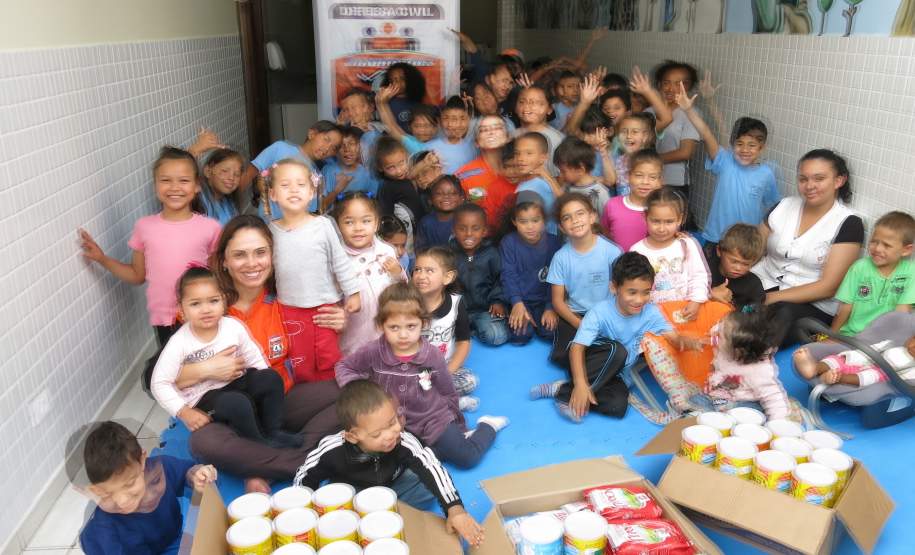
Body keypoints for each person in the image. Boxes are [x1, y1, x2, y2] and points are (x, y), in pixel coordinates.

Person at [181, 215, 343, 490]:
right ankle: (300, 461)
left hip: (281, 406)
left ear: (272, 255)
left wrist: (342, 321)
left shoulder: (287, 298)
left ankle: (263, 464)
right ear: (224, 261)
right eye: (240, 255)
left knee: (353, 390)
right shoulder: (205, 304)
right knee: (202, 442)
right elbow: (160, 375)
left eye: (260, 252)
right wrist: (206, 369)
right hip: (229, 416)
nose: (252, 263)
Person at [335, 282, 508, 468]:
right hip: (393, 425)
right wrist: (361, 391)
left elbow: (447, 391)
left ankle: (487, 426)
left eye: (411, 326)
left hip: (432, 418)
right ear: (381, 325)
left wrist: (459, 425)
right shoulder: (373, 351)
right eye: (394, 327)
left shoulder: (432, 355)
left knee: (466, 458)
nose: (403, 335)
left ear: (423, 323)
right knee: (396, 465)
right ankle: (434, 452)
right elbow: (344, 366)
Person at [292, 380, 485, 547]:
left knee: (428, 486)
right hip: (354, 494)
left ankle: (376, 516)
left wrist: (455, 510)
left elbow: (432, 466)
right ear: (353, 436)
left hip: (393, 485)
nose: (390, 435)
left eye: (392, 422)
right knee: (331, 498)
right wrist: (303, 514)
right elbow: (304, 476)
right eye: (377, 434)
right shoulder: (331, 448)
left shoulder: (402, 438)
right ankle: (367, 517)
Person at [78, 146, 221, 347]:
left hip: (204, 315)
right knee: (175, 374)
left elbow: (219, 277)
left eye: (184, 180)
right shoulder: (145, 227)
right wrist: (103, 259)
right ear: (155, 185)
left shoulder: (210, 228)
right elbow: (137, 275)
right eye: (165, 180)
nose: (174, 187)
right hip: (165, 320)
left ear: (197, 186)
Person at [532, 252, 700, 422]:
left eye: (646, 292)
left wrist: (686, 341)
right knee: (617, 350)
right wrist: (581, 383)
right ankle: (570, 393)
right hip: (590, 364)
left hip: (616, 374)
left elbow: (673, 337)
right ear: (614, 288)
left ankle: (562, 389)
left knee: (618, 406)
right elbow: (577, 348)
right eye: (632, 292)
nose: (639, 300)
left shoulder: (651, 313)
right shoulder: (600, 312)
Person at [151, 267, 301, 447]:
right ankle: (258, 443)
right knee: (236, 402)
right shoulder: (179, 342)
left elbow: (254, 357)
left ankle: (274, 430)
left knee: (270, 377)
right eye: (195, 304)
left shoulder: (233, 327)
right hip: (205, 397)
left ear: (223, 302)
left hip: (236, 382)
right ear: (181, 310)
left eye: (213, 301)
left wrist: (265, 388)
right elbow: (159, 383)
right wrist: (184, 412)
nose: (205, 309)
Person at [753, 149, 864, 347]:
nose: (809, 186)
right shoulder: (783, 205)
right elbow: (752, 250)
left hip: (809, 303)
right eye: (803, 179)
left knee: (779, 315)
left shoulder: (849, 222)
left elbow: (828, 287)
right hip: (763, 281)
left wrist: (770, 298)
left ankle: (750, 360)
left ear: (839, 180)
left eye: (819, 178)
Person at [268, 159, 361, 382]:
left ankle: (331, 393)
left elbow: (340, 261)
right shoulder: (270, 231)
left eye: (301, 185)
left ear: (311, 192)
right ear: (272, 194)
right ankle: (304, 398)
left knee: (328, 356)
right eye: (285, 185)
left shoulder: (323, 225)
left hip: (324, 304)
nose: (293, 190)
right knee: (298, 359)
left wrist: (353, 292)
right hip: (288, 307)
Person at [631, 188, 730, 384]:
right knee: (654, 338)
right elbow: (633, 291)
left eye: (669, 222)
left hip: (686, 311)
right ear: (645, 218)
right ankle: (676, 376)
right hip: (656, 317)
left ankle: (714, 366)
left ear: (681, 219)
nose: (662, 228)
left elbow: (699, 275)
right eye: (655, 221)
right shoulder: (637, 251)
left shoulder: (687, 244)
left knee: (725, 313)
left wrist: (696, 301)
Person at [674, 75, 779, 256]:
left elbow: (773, 207)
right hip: (717, 238)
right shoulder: (725, 162)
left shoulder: (767, 173)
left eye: (752, 145)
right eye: (740, 144)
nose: (745, 150)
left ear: (762, 148)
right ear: (732, 145)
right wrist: (690, 111)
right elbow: (706, 133)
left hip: (747, 242)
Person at [79, 421, 217, 555]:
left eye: (129, 484)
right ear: (96, 491)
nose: (122, 501)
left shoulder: (159, 470)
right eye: (107, 494)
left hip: (172, 541)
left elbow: (185, 474)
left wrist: (196, 475)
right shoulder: (105, 534)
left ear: (142, 461)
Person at [547, 193, 623, 368]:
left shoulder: (612, 252)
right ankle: (594, 358)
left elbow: (622, 290)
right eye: (567, 217)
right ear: (561, 227)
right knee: (561, 356)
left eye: (580, 213)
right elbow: (558, 301)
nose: (575, 220)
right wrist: (581, 324)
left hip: (606, 314)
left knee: (620, 350)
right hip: (576, 315)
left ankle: (590, 362)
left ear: (592, 217)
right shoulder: (560, 258)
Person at [334, 192, 407, 356]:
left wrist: (398, 272)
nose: (358, 227)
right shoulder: (336, 258)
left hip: (387, 328)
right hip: (354, 331)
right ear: (338, 226)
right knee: (356, 365)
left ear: (376, 224)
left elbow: (402, 289)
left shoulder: (387, 250)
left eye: (366, 221)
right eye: (349, 222)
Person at [690, 309, 792, 421]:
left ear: (737, 351)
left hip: (742, 402)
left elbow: (773, 398)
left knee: (749, 416)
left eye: (721, 334)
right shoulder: (727, 342)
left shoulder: (759, 371)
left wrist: (778, 423)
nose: (717, 331)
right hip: (714, 395)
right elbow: (718, 329)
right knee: (693, 403)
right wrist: (707, 339)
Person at [829, 211, 915, 335]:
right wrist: (831, 335)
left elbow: (901, 313)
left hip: (886, 340)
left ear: (906, 250)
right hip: (852, 335)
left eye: (887, 245)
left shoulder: (911, 272)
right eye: (874, 241)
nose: (878, 249)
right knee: (805, 353)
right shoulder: (859, 268)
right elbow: (845, 307)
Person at [414, 247, 478, 412]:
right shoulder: (407, 304)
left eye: (429, 270)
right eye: (417, 270)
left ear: (448, 277)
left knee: (470, 381)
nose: (421, 275)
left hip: (444, 366)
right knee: (403, 386)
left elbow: (464, 342)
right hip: (414, 370)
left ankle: (432, 401)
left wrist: (448, 372)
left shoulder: (456, 303)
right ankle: (449, 402)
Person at [243, 120, 343, 219]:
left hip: (297, 231)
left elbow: (318, 209)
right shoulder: (280, 148)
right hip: (267, 227)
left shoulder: (316, 176)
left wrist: (337, 190)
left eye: (333, 148)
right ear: (312, 134)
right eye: (326, 139)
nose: (327, 149)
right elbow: (247, 175)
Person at [499, 191, 563, 345]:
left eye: (535, 220)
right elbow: (508, 275)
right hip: (521, 300)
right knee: (520, 336)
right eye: (523, 221)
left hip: (544, 300)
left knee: (551, 333)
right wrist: (517, 303)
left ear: (544, 220)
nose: (530, 227)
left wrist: (550, 307)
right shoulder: (508, 243)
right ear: (514, 222)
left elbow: (557, 279)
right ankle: (516, 314)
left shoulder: (554, 243)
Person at [450, 203, 510, 346]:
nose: (469, 234)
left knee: (497, 336)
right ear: (454, 231)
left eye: (475, 228)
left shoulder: (492, 253)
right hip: (457, 312)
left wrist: (498, 301)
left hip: (484, 310)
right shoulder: (448, 254)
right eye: (462, 229)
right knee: (437, 336)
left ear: (484, 231)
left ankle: (474, 329)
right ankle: (467, 329)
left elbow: (500, 279)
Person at [650, 60, 701, 221]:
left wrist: (649, 161)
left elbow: (685, 152)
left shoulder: (691, 113)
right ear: (659, 85)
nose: (671, 88)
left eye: (680, 84)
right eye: (667, 83)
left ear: (689, 87)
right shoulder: (649, 111)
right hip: (646, 180)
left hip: (674, 182)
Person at [455, 115, 516, 233]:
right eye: (484, 130)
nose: (491, 133)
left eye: (497, 128)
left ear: (508, 136)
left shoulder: (520, 169)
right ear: (476, 141)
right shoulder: (463, 175)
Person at [600, 149, 664, 251]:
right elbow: (605, 233)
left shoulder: (664, 210)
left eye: (652, 177)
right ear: (628, 176)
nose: (645, 182)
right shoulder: (612, 205)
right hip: (619, 265)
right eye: (639, 175)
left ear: (661, 181)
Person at [795, 334, 915, 388]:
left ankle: (835, 378)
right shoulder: (891, 344)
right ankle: (814, 368)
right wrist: (864, 354)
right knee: (840, 359)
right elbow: (871, 350)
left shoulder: (912, 368)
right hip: (865, 359)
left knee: (871, 376)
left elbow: (903, 383)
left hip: (879, 373)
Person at [513, 132, 565, 234]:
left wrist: (548, 178)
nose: (521, 158)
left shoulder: (541, 184)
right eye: (517, 153)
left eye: (529, 153)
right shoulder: (527, 181)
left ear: (543, 157)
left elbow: (565, 203)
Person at [708, 224, 767, 312]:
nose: (738, 268)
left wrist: (735, 308)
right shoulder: (704, 268)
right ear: (719, 251)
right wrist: (709, 294)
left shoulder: (753, 285)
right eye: (734, 261)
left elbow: (755, 308)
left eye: (746, 264)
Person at [320, 125, 378, 212]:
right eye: (341, 145)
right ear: (335, 149)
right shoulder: (328, 170)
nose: (346, 149)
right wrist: (338, 190)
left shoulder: (369, 174)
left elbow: (373, 204)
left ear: (361, 148)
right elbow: (321, 207)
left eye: (352, 144)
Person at [514, 85, 564, 175]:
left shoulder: (556, 139)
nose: (527, 106)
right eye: (522, 102)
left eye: (536, 103)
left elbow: (561, 178)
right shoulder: (512, 135)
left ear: (549, 109)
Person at [554, 136, 610, 215]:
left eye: (563, 171)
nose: (561, 175)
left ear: (580, 169)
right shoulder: (567, 186)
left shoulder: (600, 193)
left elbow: (606, 221)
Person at [423, 96, 479, 174]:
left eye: (462, 118)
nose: (452, 124)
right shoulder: (429, 147)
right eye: (446, 118)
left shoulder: (474, 148)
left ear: (469, 120)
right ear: (440, 120)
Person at [417, 175, 464, 251]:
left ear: (461, 198)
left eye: (453, 193)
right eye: (439, 193)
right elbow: (420, 249)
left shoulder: (465, 220)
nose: (446, 197)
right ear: (430, 199)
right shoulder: (426, 223)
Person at [199, 148, 245, 225]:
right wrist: (195, 150)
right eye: (224, 171)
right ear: (207, 171)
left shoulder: (230, 203)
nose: (231, 178)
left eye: (237, 174)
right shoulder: (198, 200)